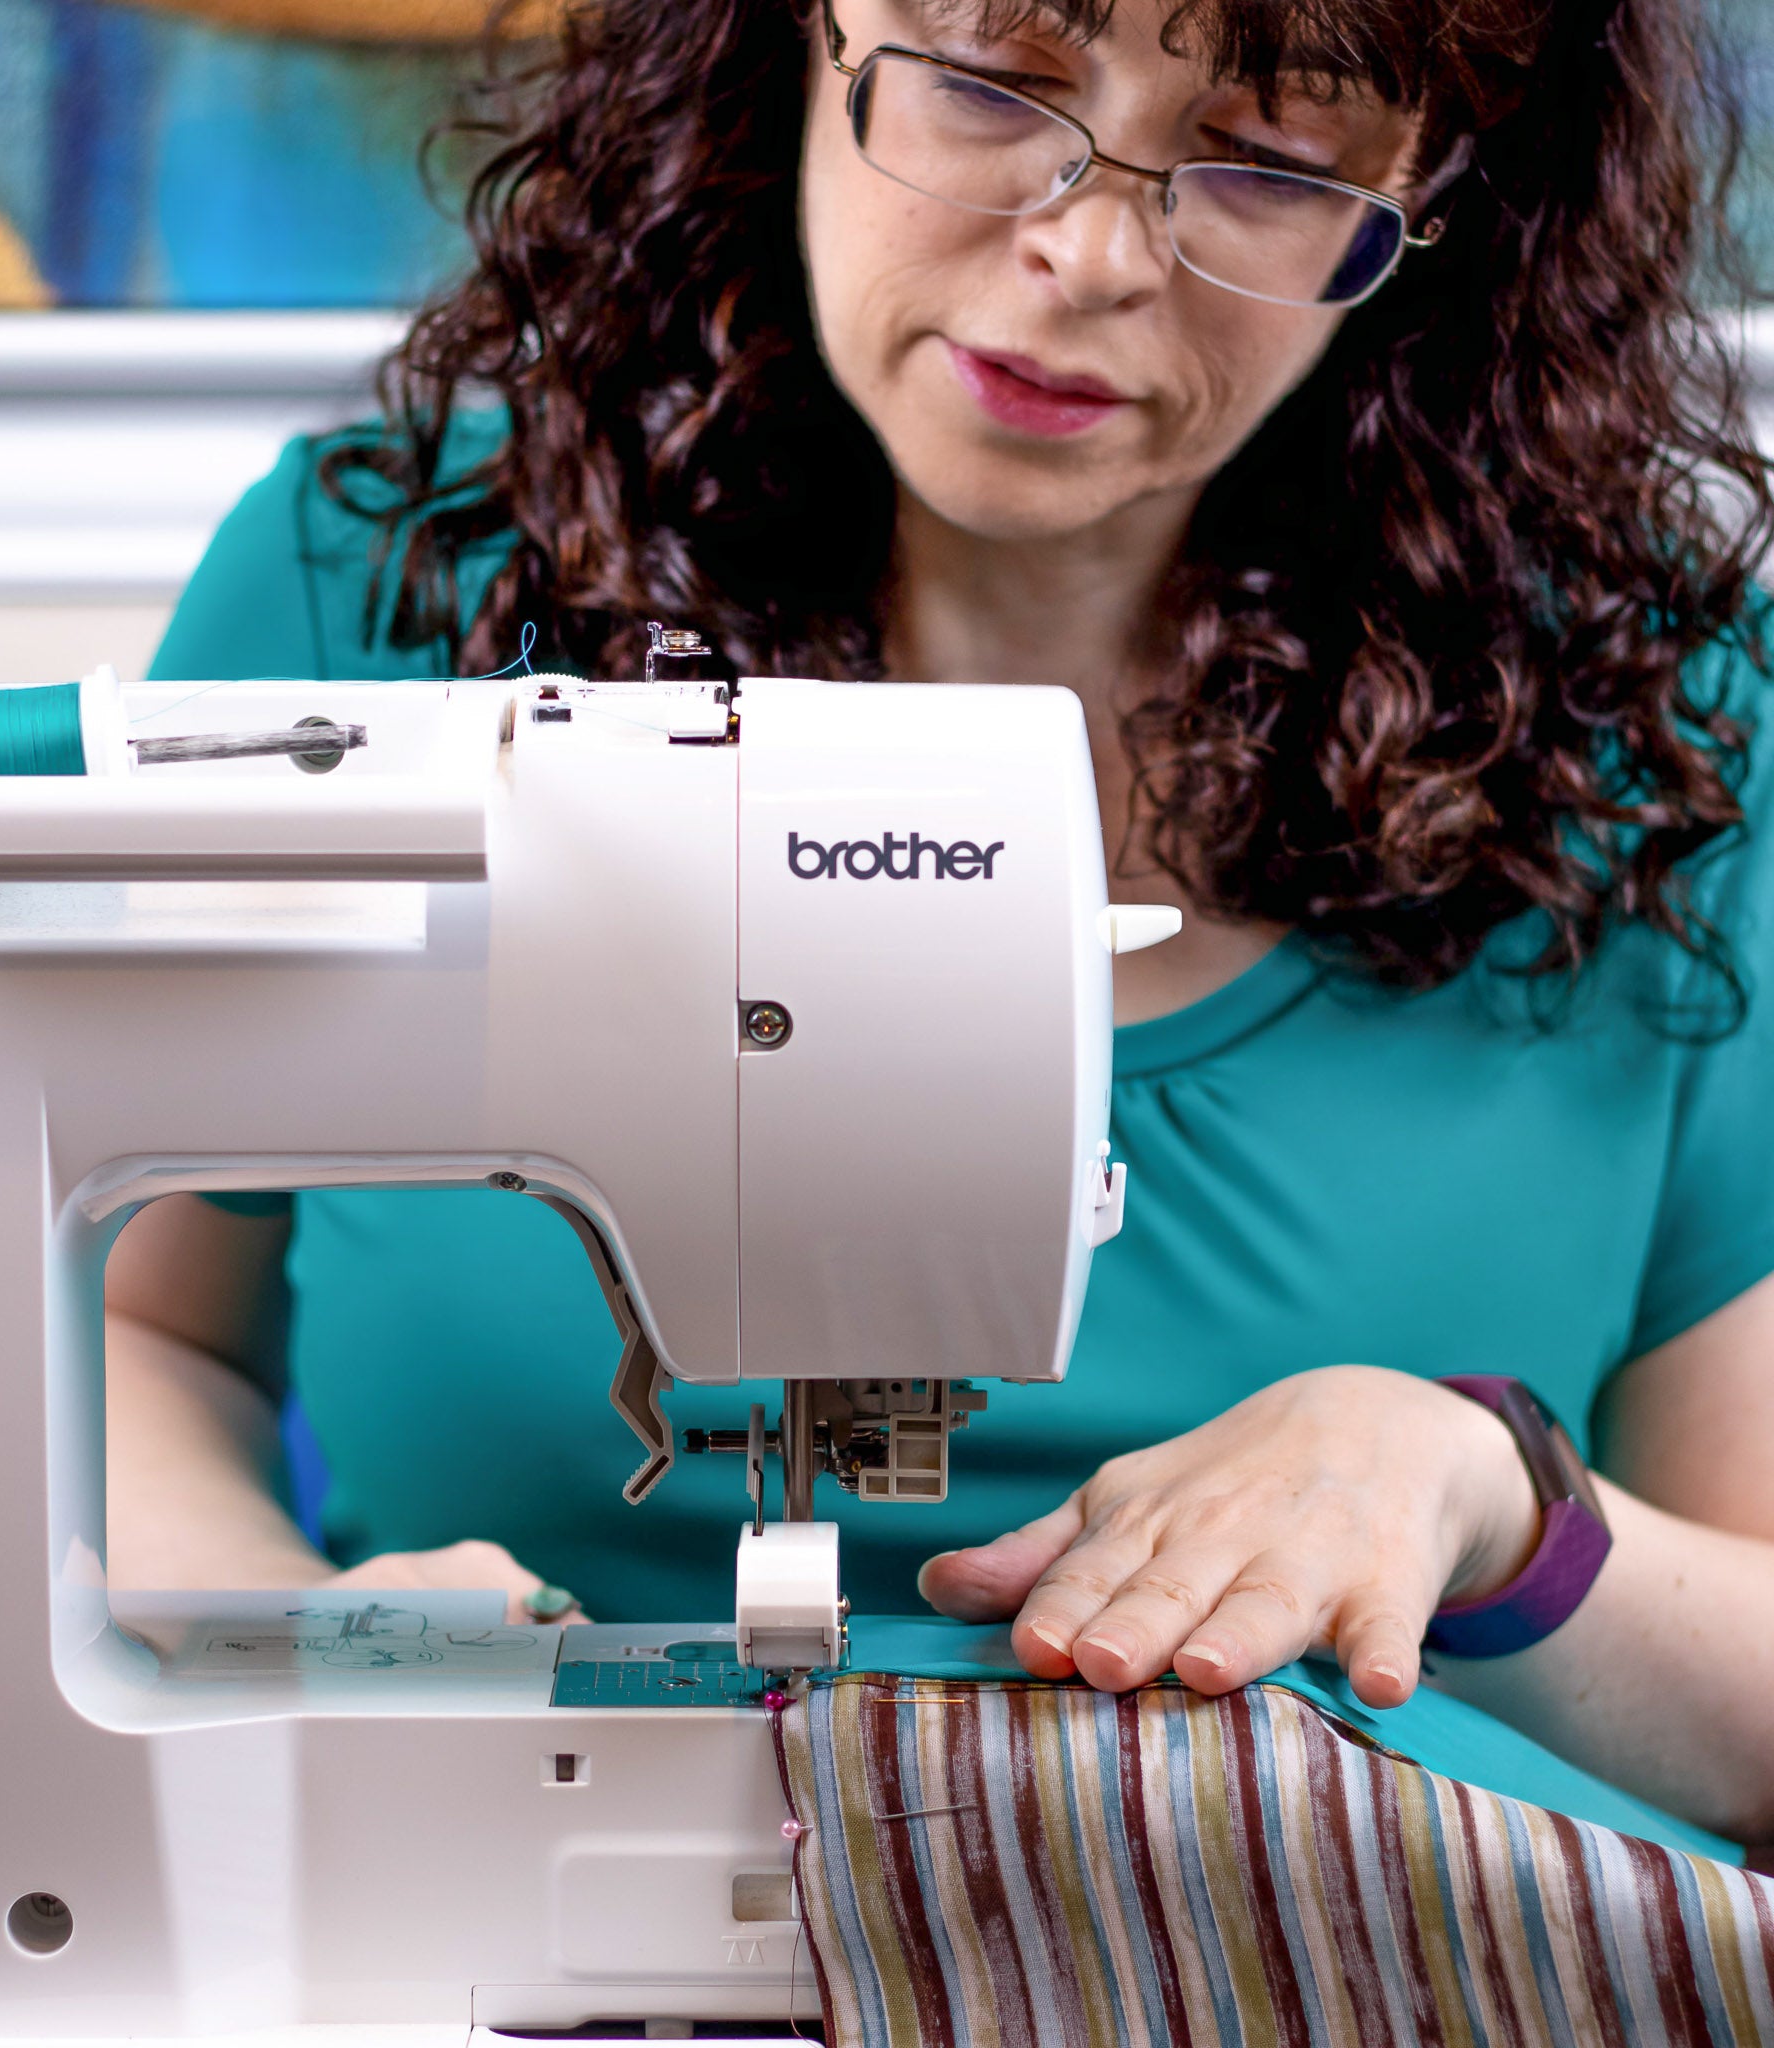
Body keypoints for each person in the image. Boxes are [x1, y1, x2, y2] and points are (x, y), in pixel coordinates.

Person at [107, 0, 1774, 1849]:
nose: (1091, 253)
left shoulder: (1668, 744)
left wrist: (1492, 1504)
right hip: (497, 1907)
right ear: (777, 51)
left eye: (1269, 165)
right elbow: (130, 1336)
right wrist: (293, 1648)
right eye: (990, 86)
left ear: (1439, 201)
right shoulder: (382, 601)